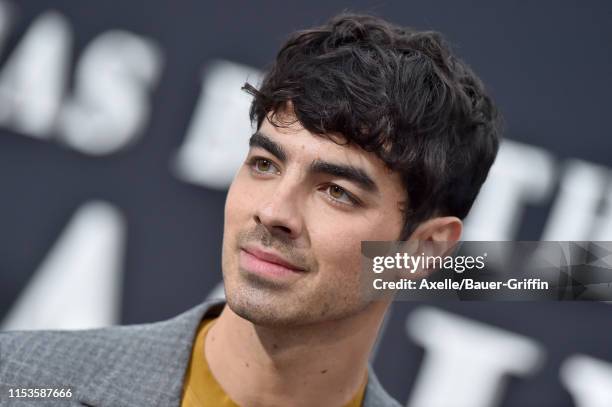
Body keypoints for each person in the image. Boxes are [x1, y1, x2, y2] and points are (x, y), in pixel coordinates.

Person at [0, 12, 501, 407]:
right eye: (264, 164)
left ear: (421, 249)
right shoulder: (19, 380)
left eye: (337, 192)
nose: (274, 212)